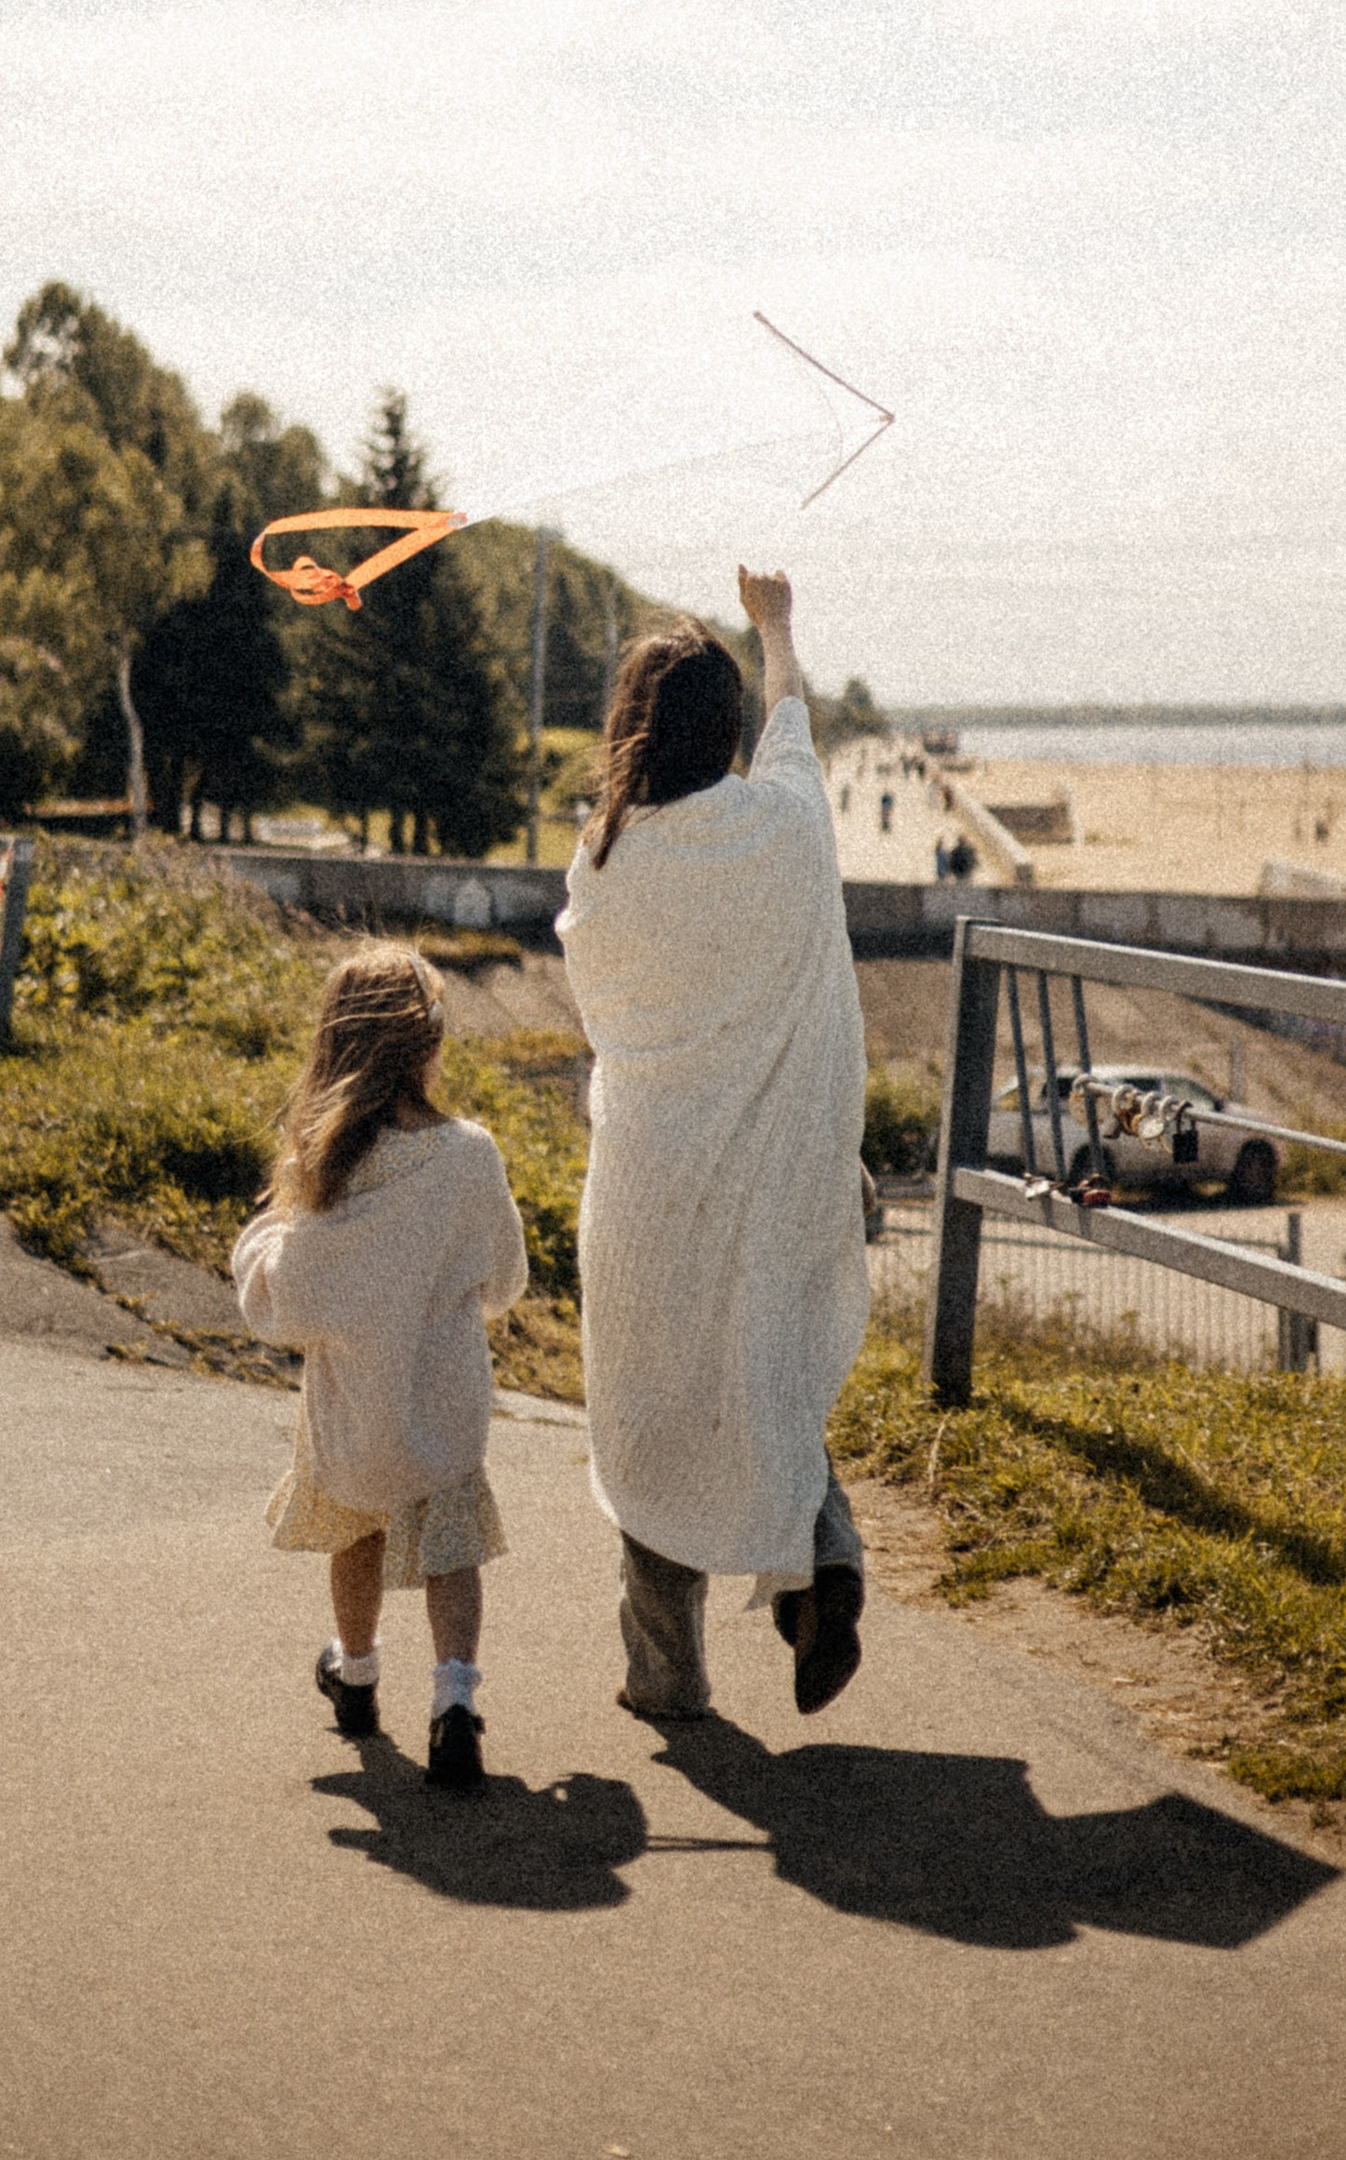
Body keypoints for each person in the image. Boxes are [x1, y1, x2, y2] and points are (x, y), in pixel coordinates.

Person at [562, 571, 869, 1725]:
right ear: (723, 731)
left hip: (648, 1179)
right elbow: (792, 717)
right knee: (765, 1367)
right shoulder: (784, 827)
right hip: (778, 1169)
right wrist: (775, 624)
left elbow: (606, 1011)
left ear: (628, 731)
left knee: (651, 1407)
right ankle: (822, 1563)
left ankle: (665, 1672)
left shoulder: (603, 860)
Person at [232, 941, 527, 1789]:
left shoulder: (325, 1165)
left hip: (354, 1415)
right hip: (443, 1410)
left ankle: (356, 1673)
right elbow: (504, 1279)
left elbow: (286, 1298)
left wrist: (260, 1241)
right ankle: (455, 1700)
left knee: (354, 1533)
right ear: (429, 1044)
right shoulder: (470, 1155)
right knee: (451, 1550)